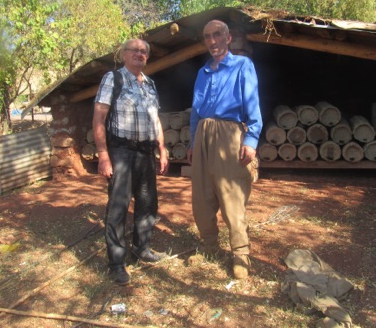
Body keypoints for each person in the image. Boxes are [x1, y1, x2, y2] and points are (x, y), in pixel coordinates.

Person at [187, 20, 263, 279]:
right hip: (203, 136)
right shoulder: (202, 72)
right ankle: (210, 246)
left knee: (232, 196)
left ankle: (240, 253)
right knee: (202, 196)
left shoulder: (243, 65)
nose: (212, 41)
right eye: (208, 36)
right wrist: (192, 142)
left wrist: (251, 141)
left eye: (218, 35)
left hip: (230, 133)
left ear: (228, 38)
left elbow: (253, 104)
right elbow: (196, 111)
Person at [92, 39, 169, 286]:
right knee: (118, 207)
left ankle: (141, 248)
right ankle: (116, 262)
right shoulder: (112, 79)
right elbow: (98, 118)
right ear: (124, 54)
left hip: (146, 153)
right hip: (121, 152)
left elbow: (155, 120)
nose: (140, 53)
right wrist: (103, 154)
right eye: (134, 50)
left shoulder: (150, 84)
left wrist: (162, 147)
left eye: (144, 51)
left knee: (147, 202)